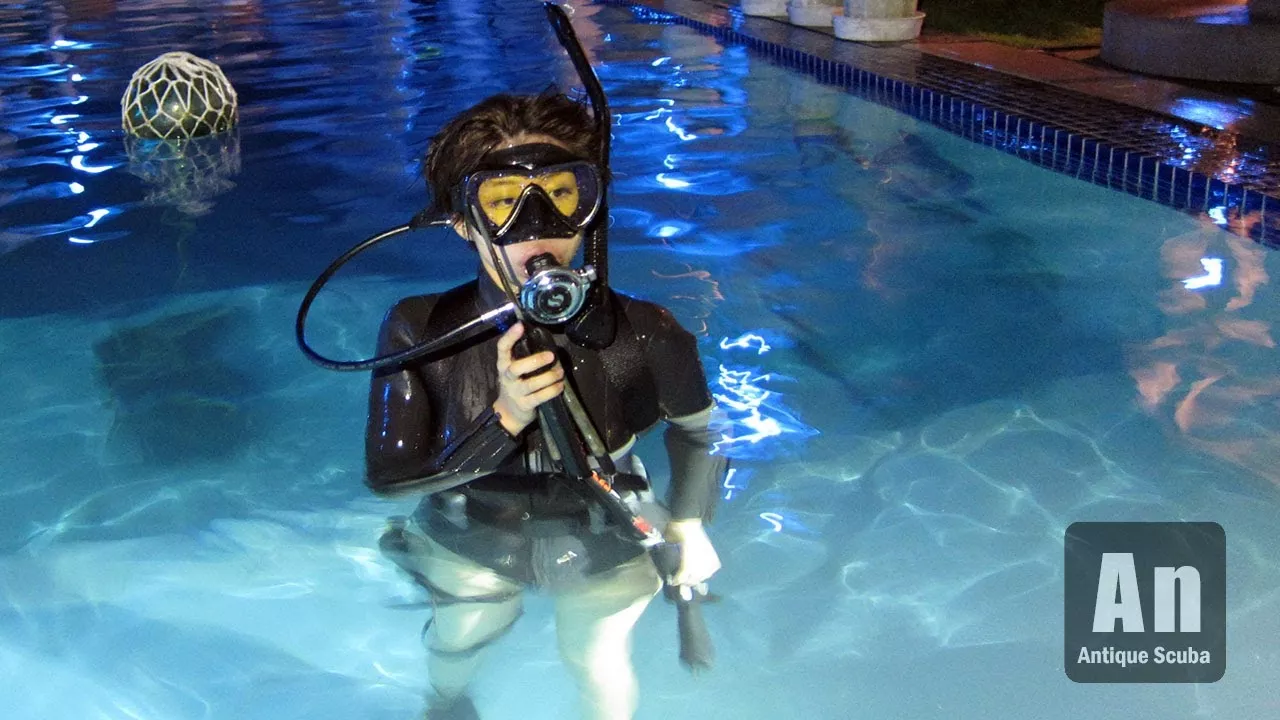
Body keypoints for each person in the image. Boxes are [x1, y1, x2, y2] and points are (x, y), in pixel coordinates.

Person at [364, 91, 726, 720]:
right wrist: (505, 419)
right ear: (463, 222)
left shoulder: (645, 333)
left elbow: (698, 433)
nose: (540, 226)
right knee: (460, 642)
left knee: (598, 662)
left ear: (591, 205)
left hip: (608, 535)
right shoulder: (422, 330)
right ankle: (444, 703)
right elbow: (390, 478)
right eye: (503, 200)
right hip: (471, 534)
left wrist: (689, 524)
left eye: (561, 193)